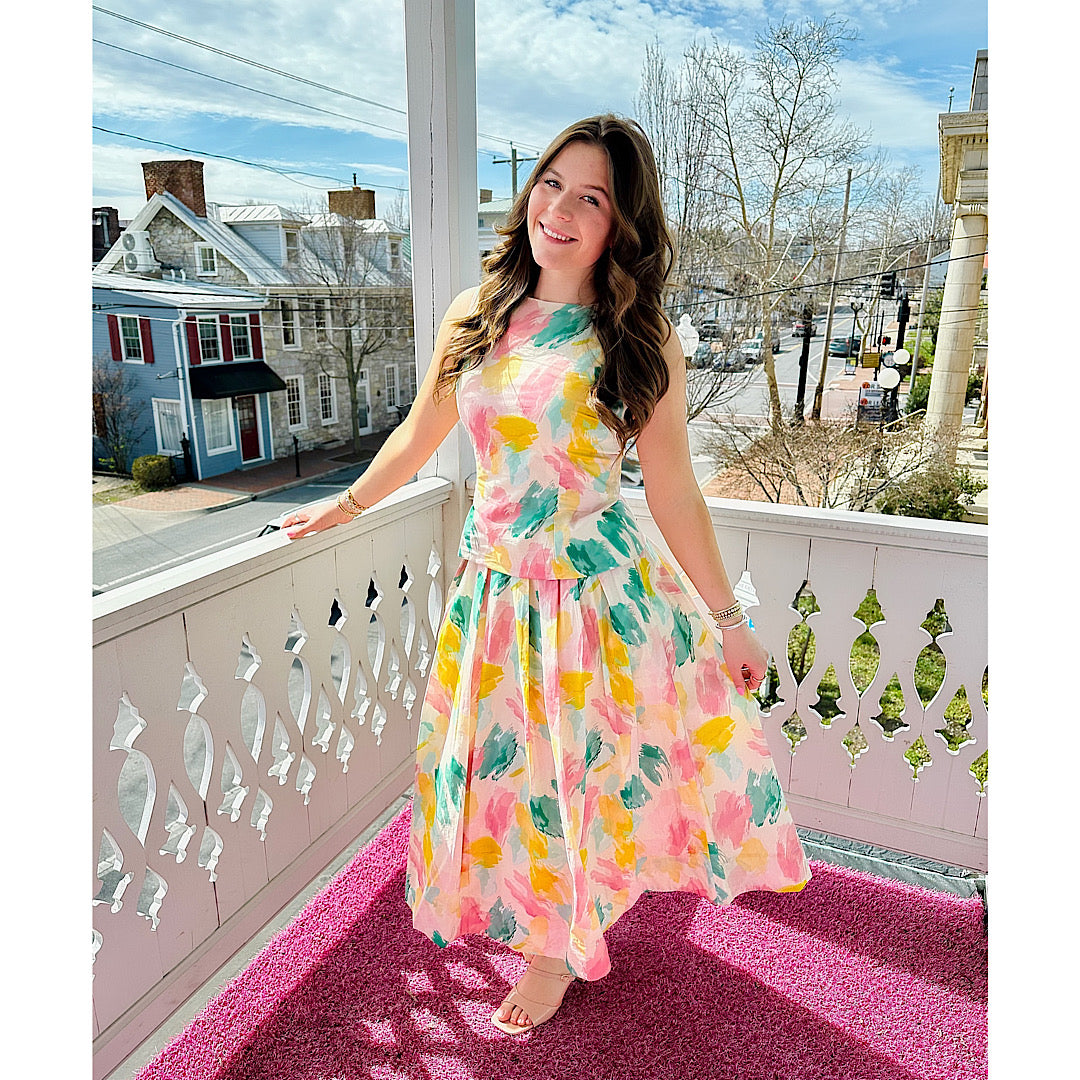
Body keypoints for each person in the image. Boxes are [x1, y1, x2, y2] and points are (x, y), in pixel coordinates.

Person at [283, 114, 810, 1036]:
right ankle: (546, 925)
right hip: (494, 594)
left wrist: (729, 620)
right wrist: (348, 505)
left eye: (591, 198)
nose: (558, 211)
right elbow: (420, 431)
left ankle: (554, 950)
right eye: (551, 184)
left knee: (575, 782)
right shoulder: (477, 312)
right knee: (510, 781)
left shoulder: (638, 336)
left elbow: (673, 488)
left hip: (593, 601)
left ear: (621, 225)